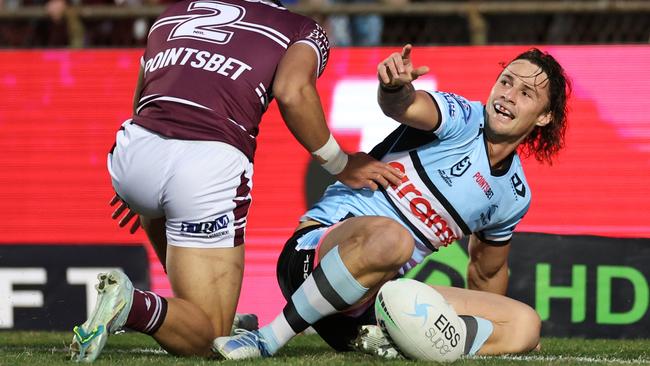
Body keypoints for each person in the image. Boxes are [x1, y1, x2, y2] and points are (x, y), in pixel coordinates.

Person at [69, 0, 403, 362]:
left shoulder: (173, 13)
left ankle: (201, 306)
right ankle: (134, 305)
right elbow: (293, 92)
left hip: (135, 147)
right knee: (210, 337)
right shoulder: (300, 27)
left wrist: (134, 183)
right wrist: (342, 164)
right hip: (205, 162)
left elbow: (146, 100)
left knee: (170, 226)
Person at [213, 44, 571, 359]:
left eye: (526, 93)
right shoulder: (461, 117)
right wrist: (393, 87)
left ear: (544, 116)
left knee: (525, 324)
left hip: (372, 306)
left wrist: (497, 330)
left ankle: (384, 339)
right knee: (393, 239)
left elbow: (487, 272)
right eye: (506, 81)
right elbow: (405, 105)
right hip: (310, 260)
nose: (508, 94)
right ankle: (266, 339)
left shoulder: (514, 194)